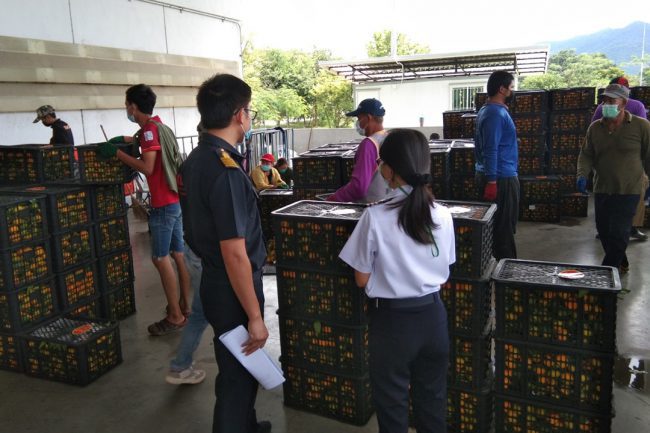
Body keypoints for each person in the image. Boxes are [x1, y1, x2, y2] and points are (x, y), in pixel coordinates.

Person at [339, 129, 455, 433]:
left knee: (392, 407)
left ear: (389, 169)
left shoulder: (375, 217)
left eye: (381, 162)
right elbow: (445, 269)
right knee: (432, 402)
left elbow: (361, 278)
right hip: (433, 318)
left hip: (392, 324)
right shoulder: (443, 215)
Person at [180, 73, 271, 433]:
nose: (249, 118)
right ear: (238, 115)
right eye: (249, 111)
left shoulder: (197, 159)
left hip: (215, 280)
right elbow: (235, 254)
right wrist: (255, 316)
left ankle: (248, 425)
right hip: (234, 286)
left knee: (238, 366)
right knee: (237, 379)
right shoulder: (226, 171)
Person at [97, 84, 190, 335]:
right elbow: (144, 140)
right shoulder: (159, 126)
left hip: (163, 205)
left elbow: (148, 167)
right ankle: (186, 306)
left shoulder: (149, 130)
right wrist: (125, 140)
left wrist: (117, 153)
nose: (127, 109)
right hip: (175, 201)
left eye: (127, 105)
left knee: (160, 258)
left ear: (133, 106)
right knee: (178, 254)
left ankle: (175, 316)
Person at [577, 83, 650, 273]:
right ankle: (621, 261)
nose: (606, 105)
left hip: (629, 189)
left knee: (619, 231)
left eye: (611, 101)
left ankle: (606, 273)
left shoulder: (641, 126)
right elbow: (586, 154)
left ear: (623, 103)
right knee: (604, 231)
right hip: (602, 188)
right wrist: (582, 174)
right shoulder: (595, 128)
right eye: (604, 101)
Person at [592, 76, 649, 241]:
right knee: (611, 198)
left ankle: (628, 229)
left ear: (624, 99)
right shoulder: (602, 109)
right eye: (607, 99)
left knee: (631, 199)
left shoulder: (637, 108)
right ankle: (615, 229)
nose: (608, 103)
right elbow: (593, 132)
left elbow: (643, 139)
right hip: (610, 163)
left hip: (632, 164)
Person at [474, 70, 519, 259]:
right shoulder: (495, 113)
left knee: (497, 228)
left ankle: (496, 265)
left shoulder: (488, 110)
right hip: (500, 178)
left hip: (496, 174)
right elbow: (491, 149)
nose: (512, 92)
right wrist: (492, 181)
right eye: (511, 88)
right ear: (502, 89)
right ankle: (506, 270)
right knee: (503, 230)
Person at [328, 98, 389, 203]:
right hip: (391, 204)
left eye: (359, 118)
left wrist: (332, 199)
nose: (357, 123)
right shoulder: (390, 138)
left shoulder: (369, 144)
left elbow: (358, 188)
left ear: (368, 118)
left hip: (372, 206)